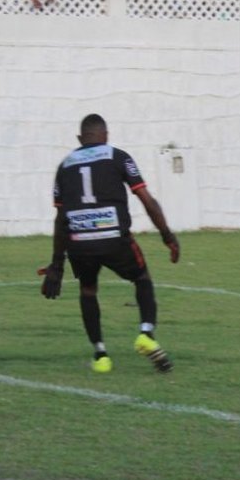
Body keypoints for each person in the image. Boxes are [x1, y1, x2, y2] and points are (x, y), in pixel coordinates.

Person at [41, 114, 181, 373]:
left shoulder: (65, 165)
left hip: (79, 242)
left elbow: (60, 219)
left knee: (88, 290)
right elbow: (147, 200)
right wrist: (167, 235)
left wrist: (57, 264)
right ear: (106, 135)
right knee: (141, 278)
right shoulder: (118, 156)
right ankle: (146, 334)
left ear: (80, 139)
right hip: (114, 237)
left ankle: (101, 354)